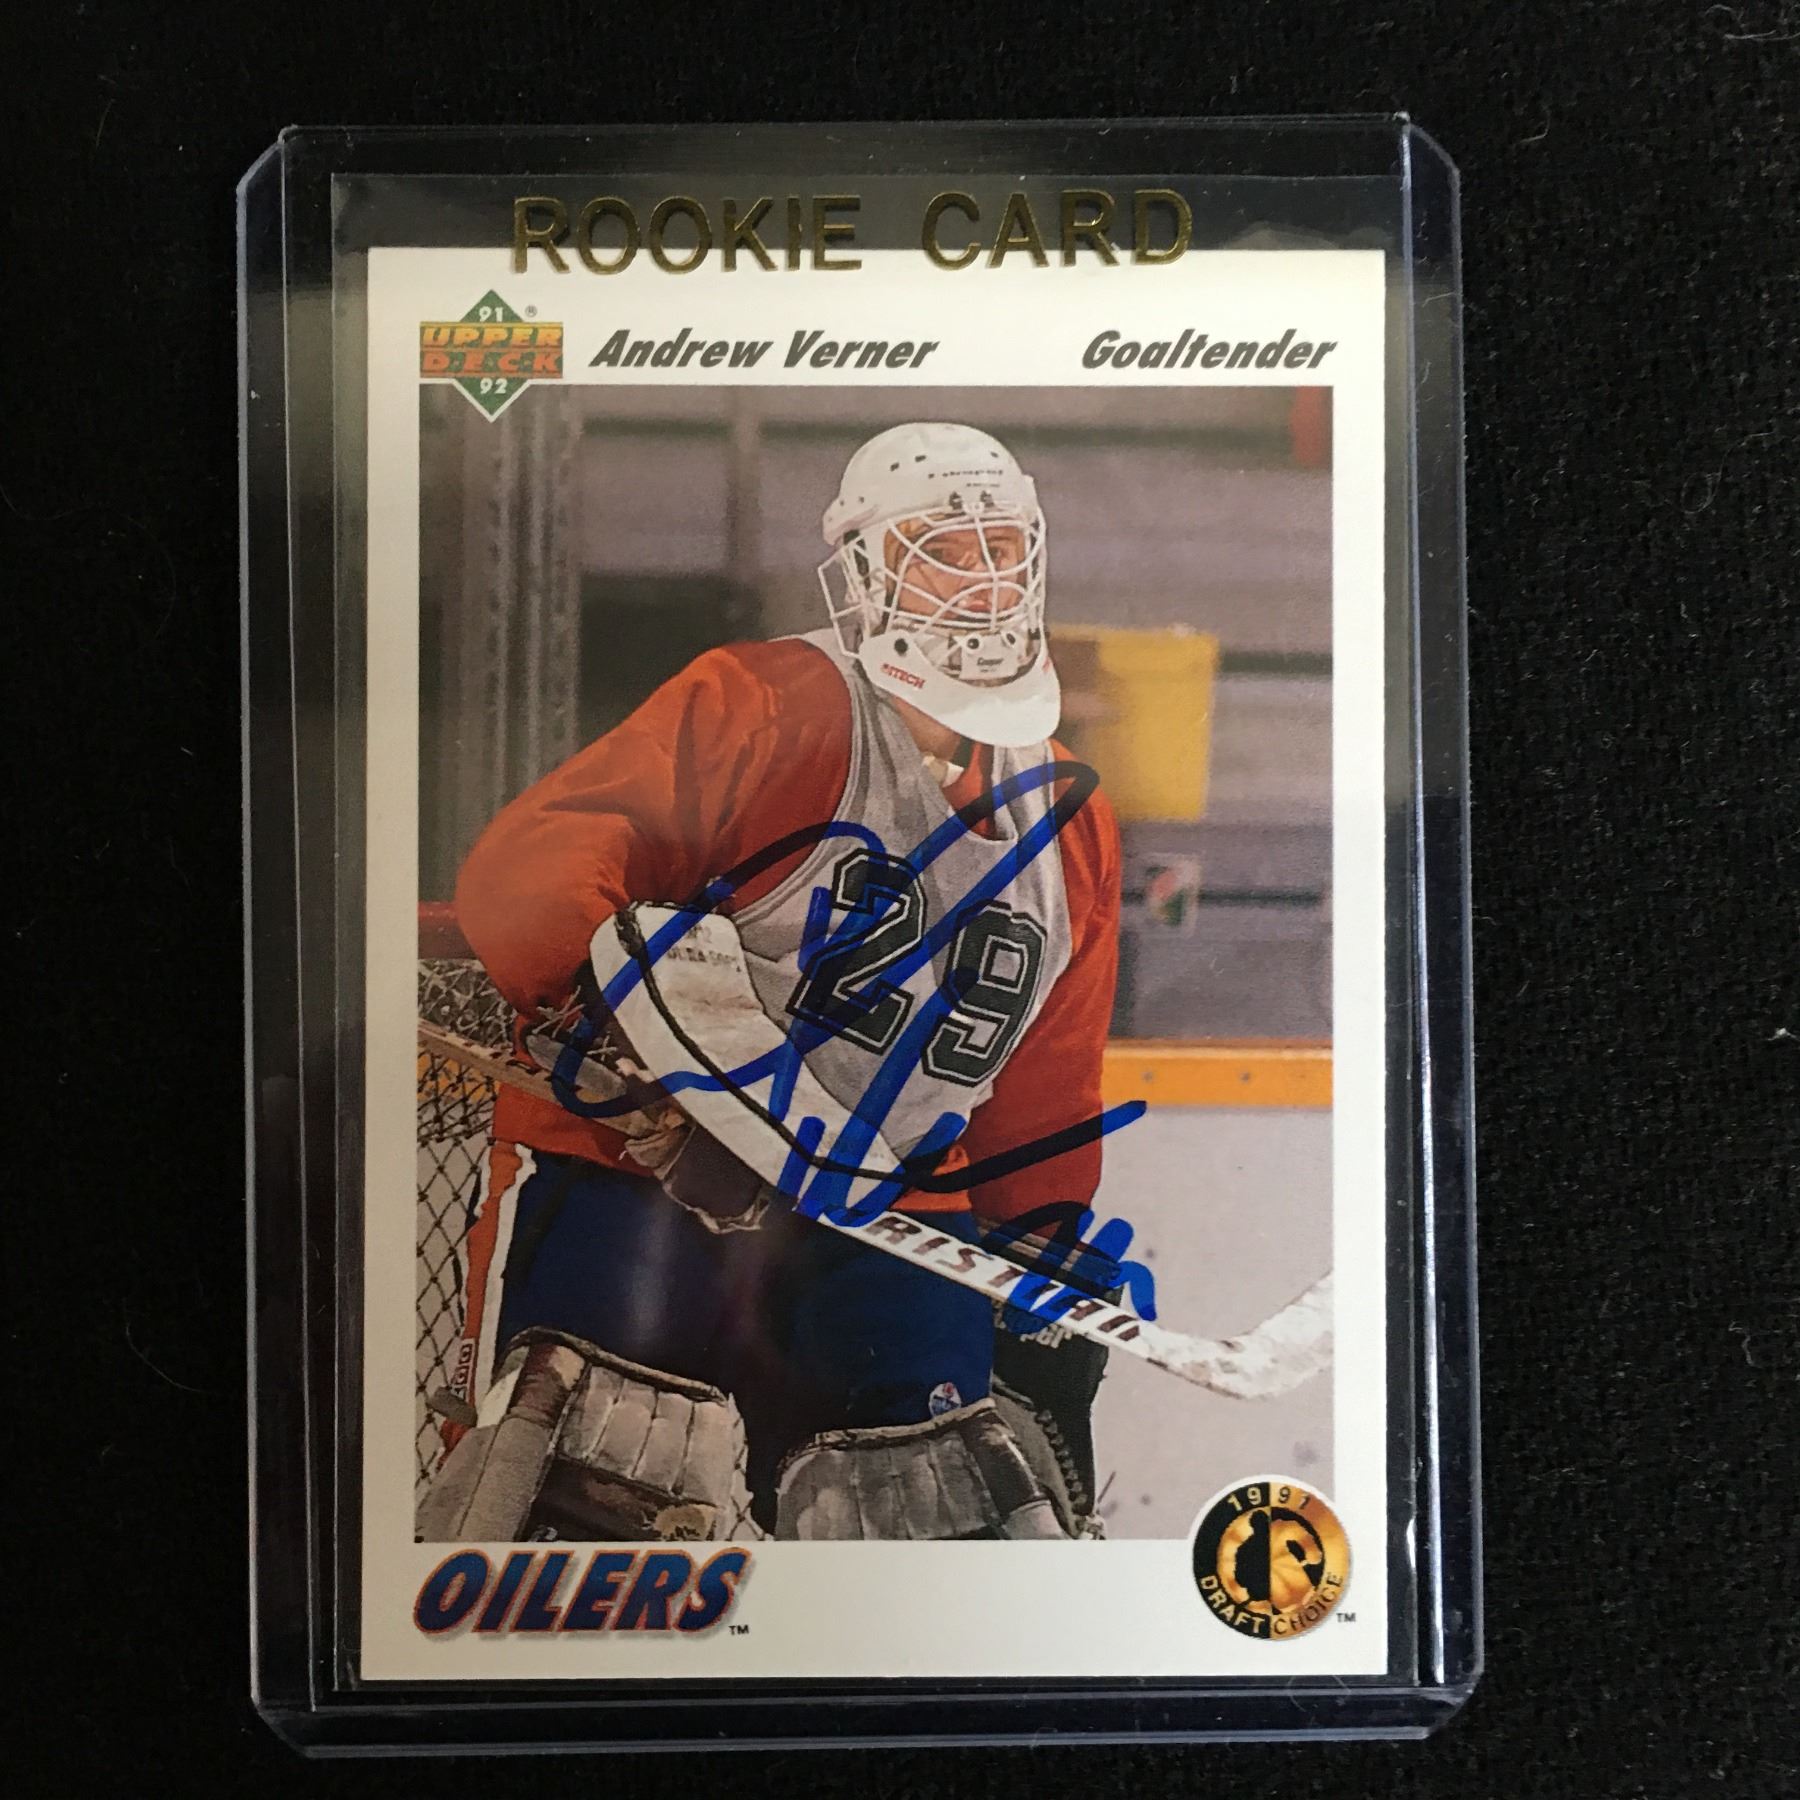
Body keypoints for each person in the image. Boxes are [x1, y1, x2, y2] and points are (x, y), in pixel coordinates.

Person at [420, 421, 1123, 1544]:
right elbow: (534, 866)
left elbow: (1045, 1082)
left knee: (941, 1526)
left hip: (889, 1224)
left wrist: (1039, 1257)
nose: (982, 580)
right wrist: (631, 1065)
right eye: (942, 552)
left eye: (1001, 548)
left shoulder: (1074, 820)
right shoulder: (769, 702)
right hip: (649, 1193)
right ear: (865, 573)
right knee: (593, 1486)